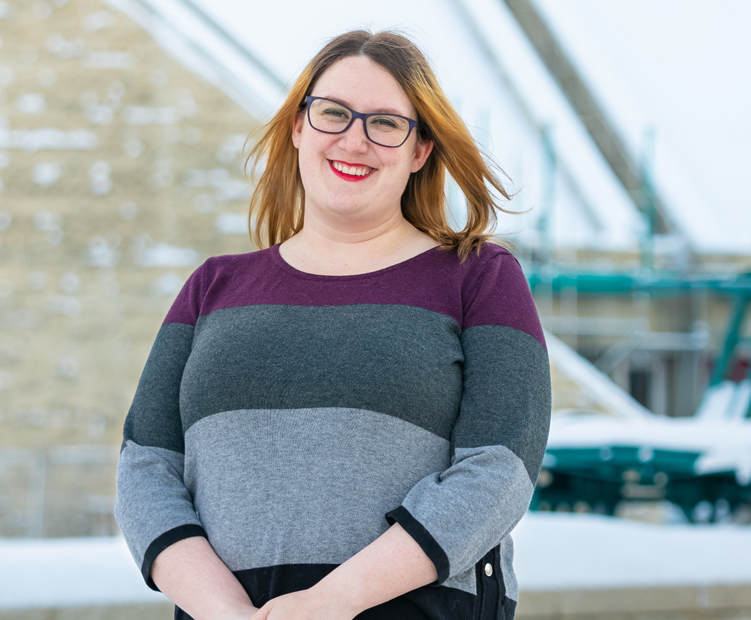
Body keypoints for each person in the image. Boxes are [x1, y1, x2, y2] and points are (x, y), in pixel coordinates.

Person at [115, 29, 551, 620]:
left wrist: (328, 605)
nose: (355, 139)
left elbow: (498, 469)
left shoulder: (478, 278)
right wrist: (227, 613)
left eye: (386, 123)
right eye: (333, 114)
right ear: (298, 127)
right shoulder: (213, 288)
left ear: (420, 150)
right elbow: (146, 467)